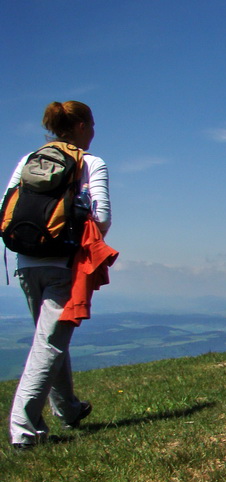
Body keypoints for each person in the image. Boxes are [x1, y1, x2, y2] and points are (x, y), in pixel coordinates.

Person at [6, 101, 111, 449]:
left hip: (25, 261)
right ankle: (24, 430)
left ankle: (68, 409)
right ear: (80, 126)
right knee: (49, 344)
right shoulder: (91, 163)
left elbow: (7, 203)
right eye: (92, 125)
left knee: (50, 341)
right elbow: (102, 216)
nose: (94, 131)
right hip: (63, 264)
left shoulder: (27, 160)